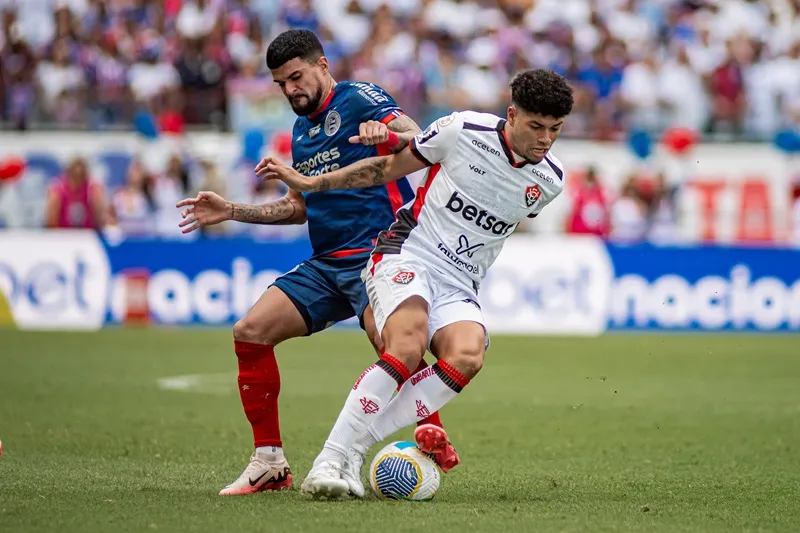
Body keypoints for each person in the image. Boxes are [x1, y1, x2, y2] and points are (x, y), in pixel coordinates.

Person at [258, 68, 574, 498]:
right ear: (512, 115)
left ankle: (356, 449)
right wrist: (313, 183)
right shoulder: (463, 129)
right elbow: (386, 168)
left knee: (468, 355)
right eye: (536, 126)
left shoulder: (550, 180)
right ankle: (328, 460)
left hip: (460, 281)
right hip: (407, 252)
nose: (545, 139)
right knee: (407, 346)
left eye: (555, 129)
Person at [175, 29, 457, 496]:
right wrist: (233, 210)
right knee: (250, 331)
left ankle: (433, 434)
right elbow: (298, 207)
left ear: (322, 65)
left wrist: (388, 134)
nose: (289, 90)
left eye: (296, 77)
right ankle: (269, 463)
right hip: (327, 263)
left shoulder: (361, 98)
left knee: (394, 345)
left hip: (378, 255)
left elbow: (422, 138)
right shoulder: (301, 132)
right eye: (280, 84)